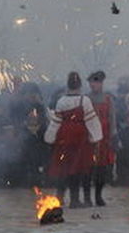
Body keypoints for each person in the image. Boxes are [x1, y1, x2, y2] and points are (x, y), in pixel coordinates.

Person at [43, 72, 102, 208]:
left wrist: (50, 137)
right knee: (77, 169)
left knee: (63, 167)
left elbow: (56, 122)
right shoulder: (85, 100)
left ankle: (60, 197)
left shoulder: (61, 101)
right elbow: (91, 121)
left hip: (64, 137)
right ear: (80, 85)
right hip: (79, 138)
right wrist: (96, 138)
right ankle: (74, 200)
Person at [86, 71, 115, 206]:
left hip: (104, 138)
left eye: (96, 82)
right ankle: (87, 197)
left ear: (101, 83)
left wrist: (113, 134)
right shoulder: (86, 99)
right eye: (92, 82)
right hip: (89, 138)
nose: (93, 85)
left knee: (101, 168)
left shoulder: (108, 99)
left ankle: (98, 196)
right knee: (87, 168)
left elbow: (112, 118)